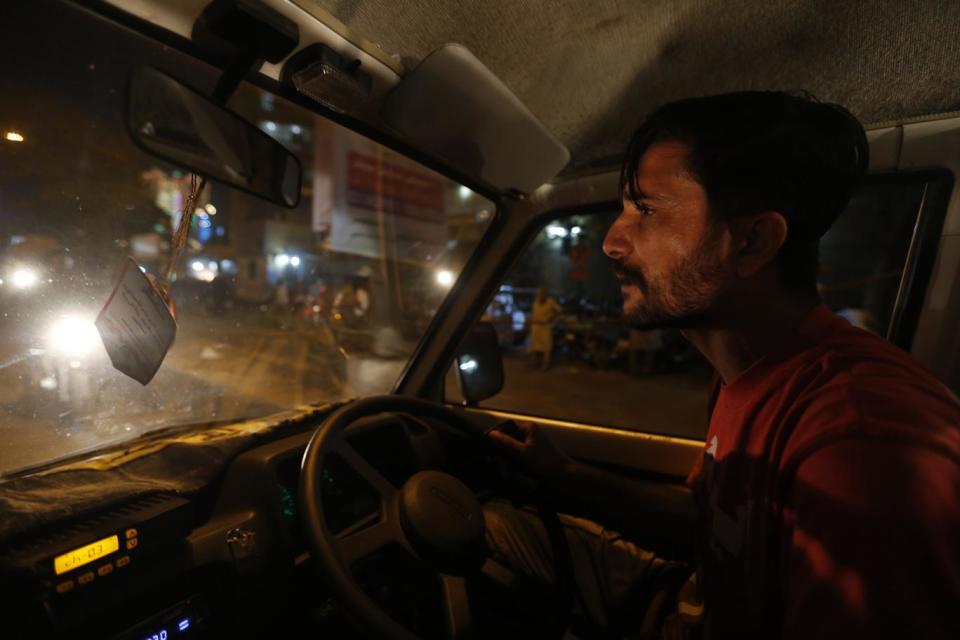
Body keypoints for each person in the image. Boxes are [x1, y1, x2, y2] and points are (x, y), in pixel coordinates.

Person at [484, 91, 960, 639]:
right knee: (496, 527)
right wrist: (564, 478)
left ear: (752, 242)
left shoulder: (863, 446)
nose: (613, 242)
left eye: (646, 210)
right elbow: (711, 527)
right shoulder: (746, 373)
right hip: (689, 604)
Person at [529, 287, 562, 370]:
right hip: (535, 326)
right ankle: (535, 362)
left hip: (545, 326)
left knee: (546, 346)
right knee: (535, 345)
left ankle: (545, 363)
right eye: (539, 293)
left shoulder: (550, 302)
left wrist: (552, 319)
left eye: (542, 293)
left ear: (546, 294)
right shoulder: (536, 301)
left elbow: (559, 311)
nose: (540, 295)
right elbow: (534, 313)